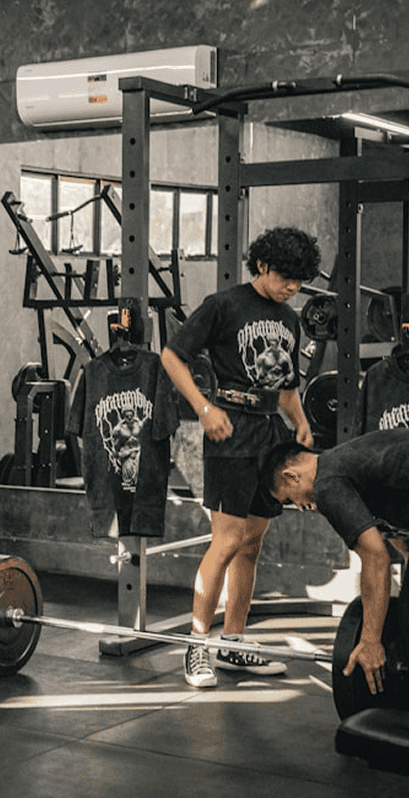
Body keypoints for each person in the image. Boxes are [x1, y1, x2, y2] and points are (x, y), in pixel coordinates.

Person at [161, 226, 320, 688]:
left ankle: (233, 642)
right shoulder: (223, 305)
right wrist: (204, 409)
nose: (293, 287)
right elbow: (173, 356)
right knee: (227, 541)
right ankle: (197, 647)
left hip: (270, 433)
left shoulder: (289, 320)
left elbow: (285, 385)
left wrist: (301, 419)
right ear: (264, 266)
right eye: (287, 277)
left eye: (300, 280)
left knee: (252, 544)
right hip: (228, 428)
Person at [261, 428, 409, 696]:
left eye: (291, 499)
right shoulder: (346, 459)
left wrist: (371, 641)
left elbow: (376, 557)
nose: (304, 506)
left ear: (291, 475)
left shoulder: (327, 484)